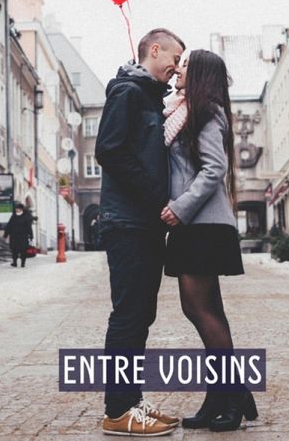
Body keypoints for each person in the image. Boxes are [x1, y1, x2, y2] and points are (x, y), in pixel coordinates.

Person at [161, 49, 258, 433]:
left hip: (201, 223)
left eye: (185, 65)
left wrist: (180, 207)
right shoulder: (183, 111)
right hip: (196, 224)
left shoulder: (207, 112)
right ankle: (224, 394)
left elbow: (214, 168)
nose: (178, 69)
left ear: (200, 73)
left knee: (200, 310)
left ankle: (231, 395)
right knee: (208, 311)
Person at [95, 29, 185, 437]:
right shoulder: (128, 93)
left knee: (141, 315)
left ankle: (132, 401)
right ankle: (118, 410)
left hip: (144, 222)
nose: (177, 68)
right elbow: (109, 150)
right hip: (127, 222)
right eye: (175, 58)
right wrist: (155, 195)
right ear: (155, 50)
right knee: (129, 315)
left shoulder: (149, 97)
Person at [3, 202, 34, 268]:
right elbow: (9, 225)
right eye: (16, 208)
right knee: (14, 250)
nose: (17, 209)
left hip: (23, 236)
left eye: (18, 208)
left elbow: (29, 227)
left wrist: (31, 236)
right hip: (14, 236)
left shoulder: (25, 217)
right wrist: (6, 235)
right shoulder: (13, 216)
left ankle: (23, 263)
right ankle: (14, 262)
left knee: (23, 250)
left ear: (21, 209)